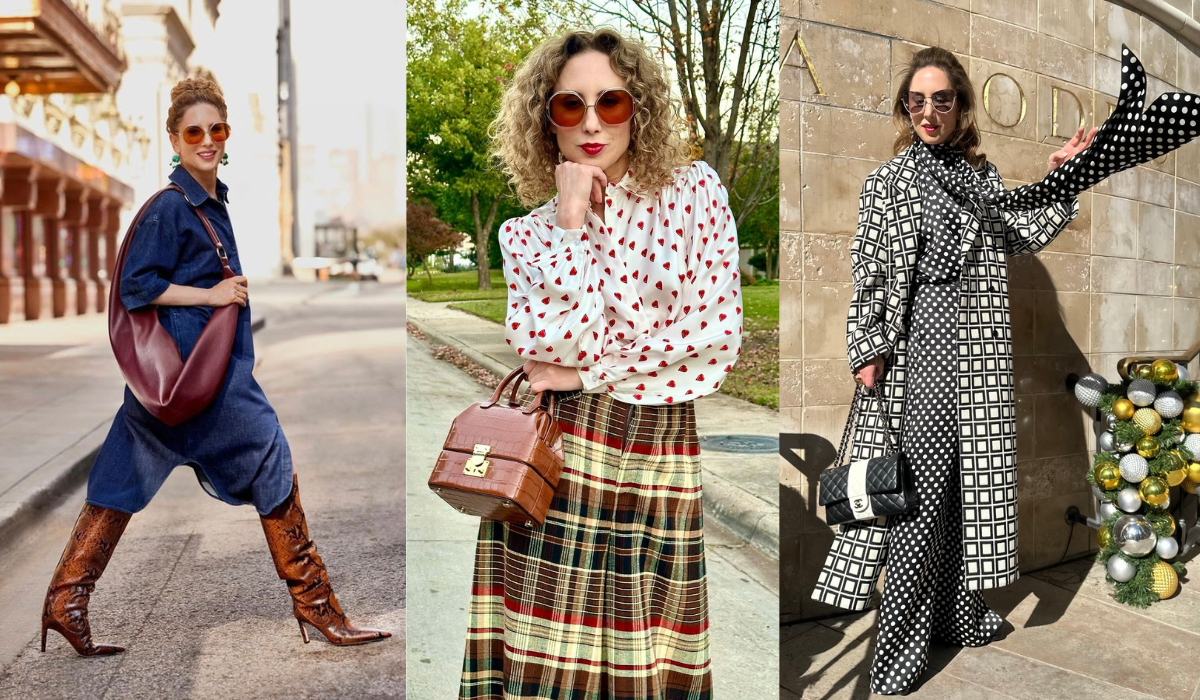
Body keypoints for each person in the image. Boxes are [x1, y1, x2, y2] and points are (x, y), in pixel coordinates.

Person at [811, 43, 1200, 695]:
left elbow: (1019, 235)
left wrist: (1063, 173)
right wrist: (867, 350)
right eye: (916, 100)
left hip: (984, 355)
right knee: (918, 503)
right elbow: (869, 273)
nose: (928, 110)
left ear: (960, 105)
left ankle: (954, 614)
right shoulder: (889, 182)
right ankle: (899, 647)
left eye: (941, 98)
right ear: (906, 108)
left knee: (968, 496)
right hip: (924, 353)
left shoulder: (982, 180)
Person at [40, 77, 390, 656]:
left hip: (175, 384)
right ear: (174, 140)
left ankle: (65, 600)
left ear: (227, 137)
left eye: (216, 130)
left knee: (118, 481)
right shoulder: (170, 208)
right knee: (270, 456)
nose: (206, 139)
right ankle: (317, 607)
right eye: (194, 131)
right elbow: (136, 286)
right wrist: (212, 296)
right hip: (200, 377)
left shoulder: (208, 202)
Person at [457, 28, 742, 699]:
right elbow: (548, 345)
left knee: (651, 654)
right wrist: (571, 217)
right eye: (569, 106)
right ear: (544, 120)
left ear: (637, 108)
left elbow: (712, 338)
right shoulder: (530, 232)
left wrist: (588, 372)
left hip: (658, 452)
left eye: (610, 103)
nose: (591, 123)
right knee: (547, 659)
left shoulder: (694, 193)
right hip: (559, 454)